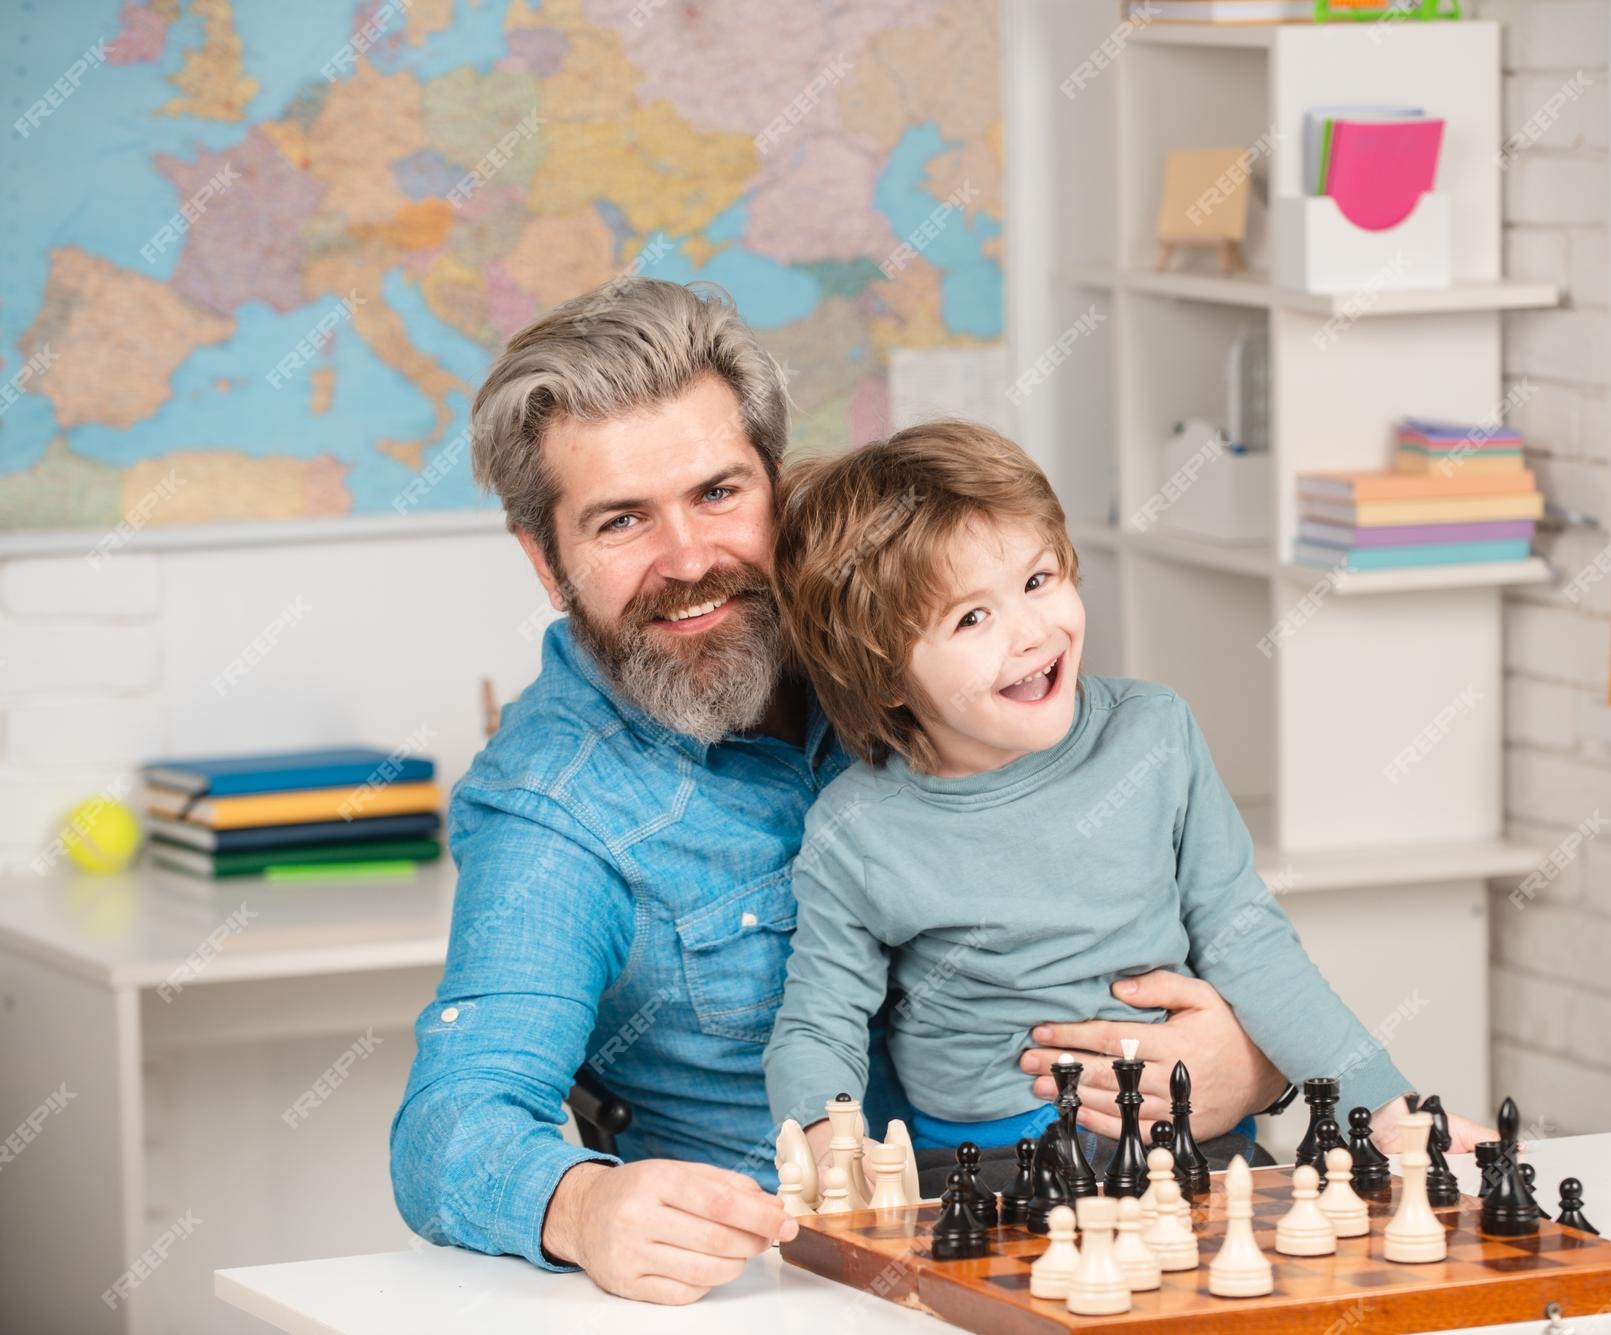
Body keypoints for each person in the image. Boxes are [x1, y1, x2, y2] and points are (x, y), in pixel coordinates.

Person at [389, 278, 1293, 1306]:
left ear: (781, 487)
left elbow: (1214, 922)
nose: (688, 559)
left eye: (719, 493)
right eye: (620, 521)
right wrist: (583, 1207)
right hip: (817, 1297)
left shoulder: (921, 645)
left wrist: (1252, 1059)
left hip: (1131, 1239)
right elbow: (450, 1126)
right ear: (546, 562)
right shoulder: (553, 810)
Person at [765, 421, 1470, 1179]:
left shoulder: (1153, 732)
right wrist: (822, 1137)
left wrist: (1388, 1109)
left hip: (1185, 1139)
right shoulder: (857, 827)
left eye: (1038, 581)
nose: (1032, 631)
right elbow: (820, 1020)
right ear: (889, 680)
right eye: (972, 617)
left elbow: (1247, 938)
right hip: (991, 1169)